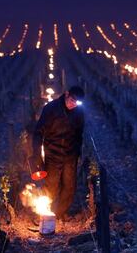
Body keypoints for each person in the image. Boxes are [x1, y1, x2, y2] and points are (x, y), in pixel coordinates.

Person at [31, 86, 85, 220]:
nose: (73, 104)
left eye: (77, 103)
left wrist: (77, 152)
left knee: (69, 186)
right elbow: (38, 133)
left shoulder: (79, 113)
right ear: (66, 94)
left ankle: (60, 213)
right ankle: (44, 214)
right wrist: (37, 155)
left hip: (70, 154)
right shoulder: (51, 109)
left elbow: (79, 134)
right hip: (53, 153)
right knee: (51, 186)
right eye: (72, 100)